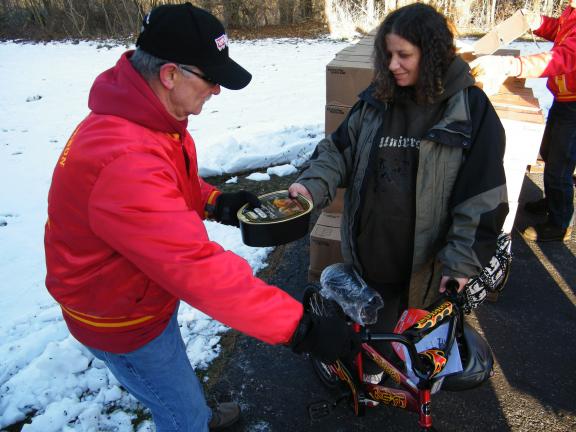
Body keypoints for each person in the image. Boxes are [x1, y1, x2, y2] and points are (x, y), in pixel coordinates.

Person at [44, 3, 360, 431]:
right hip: (121, 319)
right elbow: (197, 269)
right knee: (181, 414)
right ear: (171, 74)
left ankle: (194, 406)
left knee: (173, 374)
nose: (216, 91)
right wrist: (300, 328)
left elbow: (166, 189)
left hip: (137, 293)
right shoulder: (125, 158)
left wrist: (213, 201)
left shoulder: (148, 120)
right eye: (211, 78)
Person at [289, 3, 508, 382]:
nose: (393, 65)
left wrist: (460, 264)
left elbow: (483, 199)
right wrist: (310, 186)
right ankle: (367, 372)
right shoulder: (377, 100)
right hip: (370, 256)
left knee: (416, 351)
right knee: (370, 341)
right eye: (387, 55)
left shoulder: (470, 109)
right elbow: (336, 152)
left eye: (404, 55)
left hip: (428, 269)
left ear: (434, 54)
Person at [470, 2, 576, 242]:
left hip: (574, 105)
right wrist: (538, 23)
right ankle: (553, 201)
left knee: (560, 165)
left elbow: (564, 57)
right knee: (550, 153)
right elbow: (561, 33)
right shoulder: (572, 11)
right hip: (564, 97)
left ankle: (560, 223)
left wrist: (512, 65)